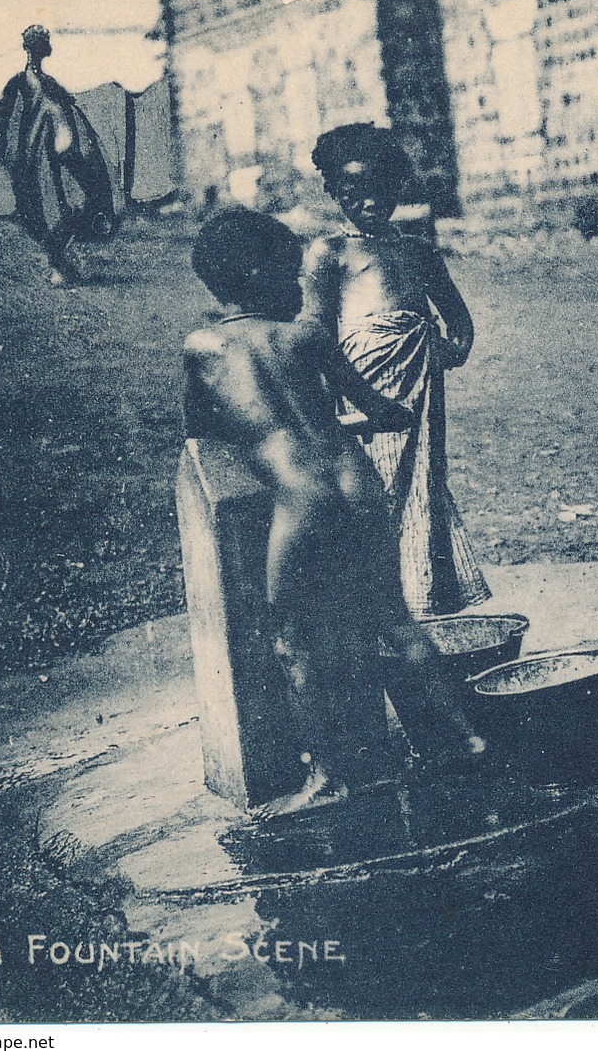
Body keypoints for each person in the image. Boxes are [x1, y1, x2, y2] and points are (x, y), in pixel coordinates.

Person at [185, 208, 483, 818]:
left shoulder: (202, 347)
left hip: (302, 498)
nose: (301, 286)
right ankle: (464, 740)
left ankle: (329, 776)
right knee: (394, 620)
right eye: (290, 274)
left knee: (290, 639)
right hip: (358, 483)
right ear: (256, 275)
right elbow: (384, 410)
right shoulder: (306, 339)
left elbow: (200, 435)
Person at [304, 122, 491, 620]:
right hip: (362, 395)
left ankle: (421, 599)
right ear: (334, 191)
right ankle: (373, 608)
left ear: (397, 186)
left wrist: (447, 348)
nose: (369, 201)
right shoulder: (329, 253)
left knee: (421, 484)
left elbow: (457, 318)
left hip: (419, 393)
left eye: (380, 188)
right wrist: (348, 396)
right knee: (371, 491)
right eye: (353, 191)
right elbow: (316, 337)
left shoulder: (417, 250)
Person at [0, 25, 117, 287]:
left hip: (59, 158)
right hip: (35, 160)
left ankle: (61, 264)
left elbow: (70, 115)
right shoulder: (20, 84)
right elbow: (4, 120)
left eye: (43, 45)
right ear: (30, 49)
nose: (41, 50)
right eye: (38, 45)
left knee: (67, 206)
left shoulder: (49, 84)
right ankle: (58, 266)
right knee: (43, 210)